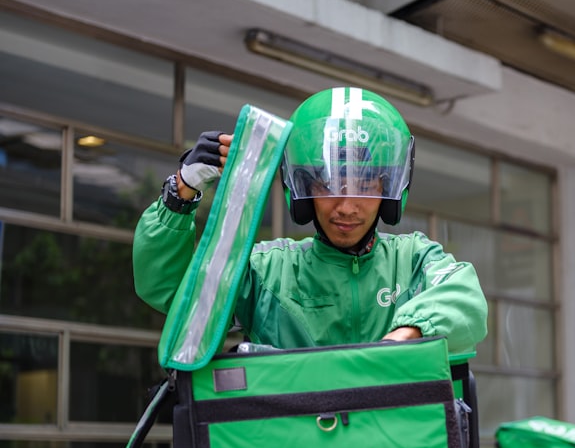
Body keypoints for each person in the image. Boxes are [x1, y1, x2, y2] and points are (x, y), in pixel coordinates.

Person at [133, 86, 488, 356]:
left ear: (388, 189)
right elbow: (171, 291)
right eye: (329, 185)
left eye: (365, 186)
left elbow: (464, 298)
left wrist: (408, 332)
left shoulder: (413, 261)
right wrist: (181, 192)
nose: (347, 207)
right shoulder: (266, 271)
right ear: (303, 187)